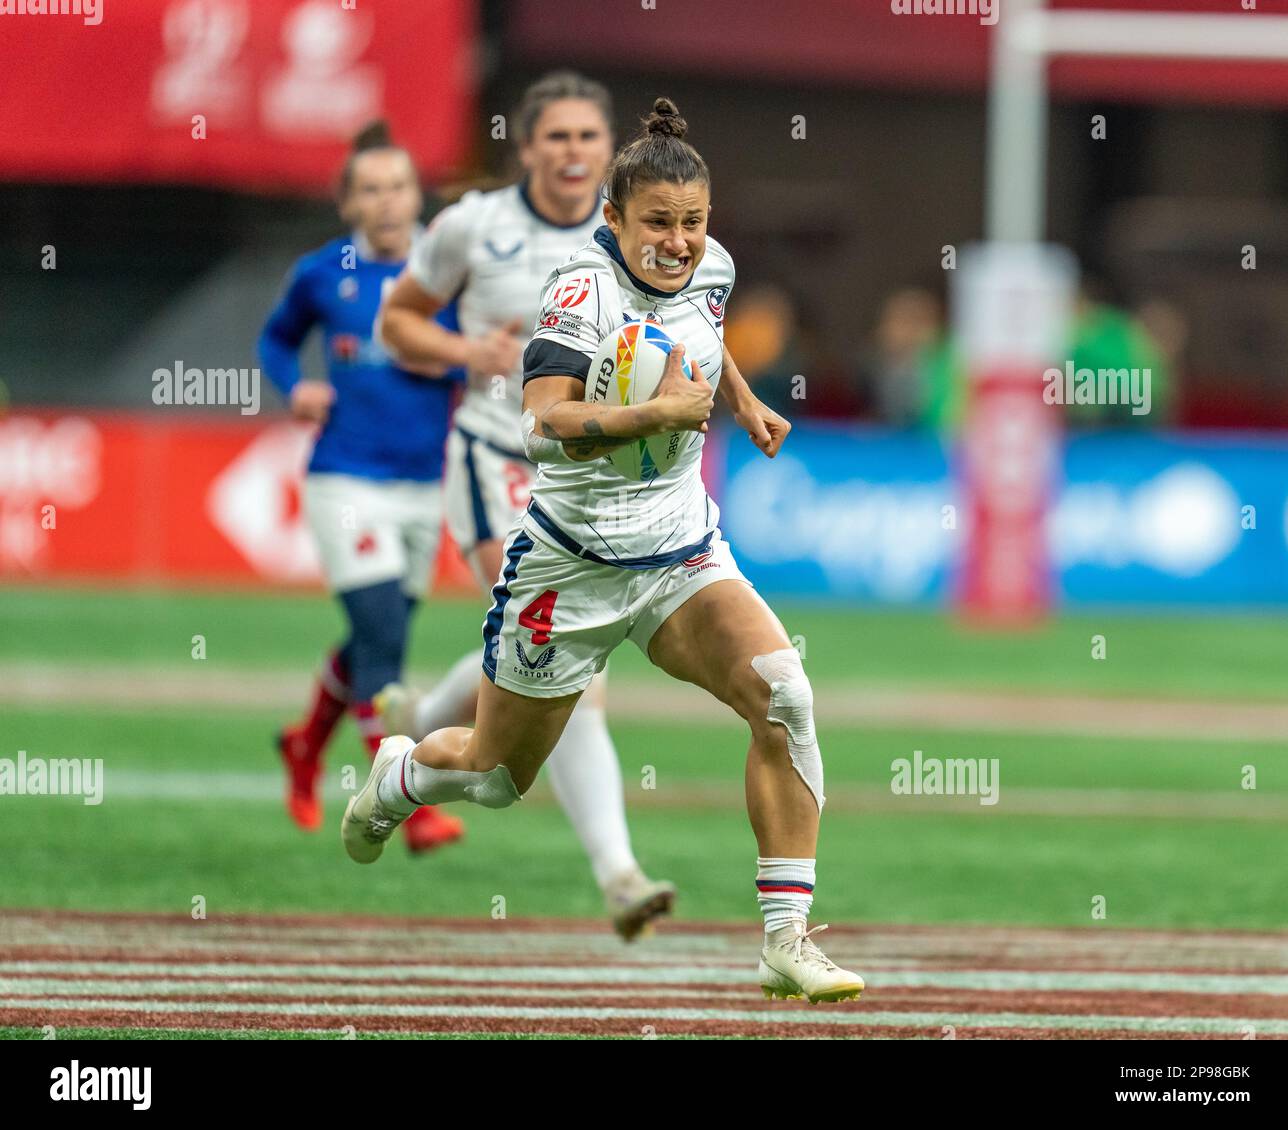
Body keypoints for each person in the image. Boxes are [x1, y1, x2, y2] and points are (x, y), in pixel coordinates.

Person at [346, 98, 865, 1003]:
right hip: (569, 562)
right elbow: (543, 423)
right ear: (613, 221)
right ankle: (398, 775)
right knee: (499, 778)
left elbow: (701, 328)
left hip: (677, 550)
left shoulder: (715, 268)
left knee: (783, 696)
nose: (678, 242)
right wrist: (652, 414)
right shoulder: (580, 292)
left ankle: (787, 938)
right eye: (657, 223)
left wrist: (740, 402)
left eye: (694, 222)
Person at [375, 72, 675, 940]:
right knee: (574, 665)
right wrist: (469, 347)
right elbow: (401, 320)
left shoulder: (631, 231)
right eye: (557, 137)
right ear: (527, 146)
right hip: (497, 459)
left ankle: (421, 721)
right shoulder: (475, 226)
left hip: (590, 477)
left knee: (547, 649)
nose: (574, 152)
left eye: (588, 136)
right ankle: (620, 876)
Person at [259, 122, 463, 853]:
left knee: (375, 640)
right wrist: (295, 386)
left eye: (398, 186)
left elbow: (478, 358)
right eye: (369, 189)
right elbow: (276, 338)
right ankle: (410, 801)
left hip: (422, 486)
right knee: (383, 645)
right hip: (344, 478)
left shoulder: (447, 277)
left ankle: (305, 745)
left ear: (418, 196)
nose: (386, 201)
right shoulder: (323, 274)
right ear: (348, 203)